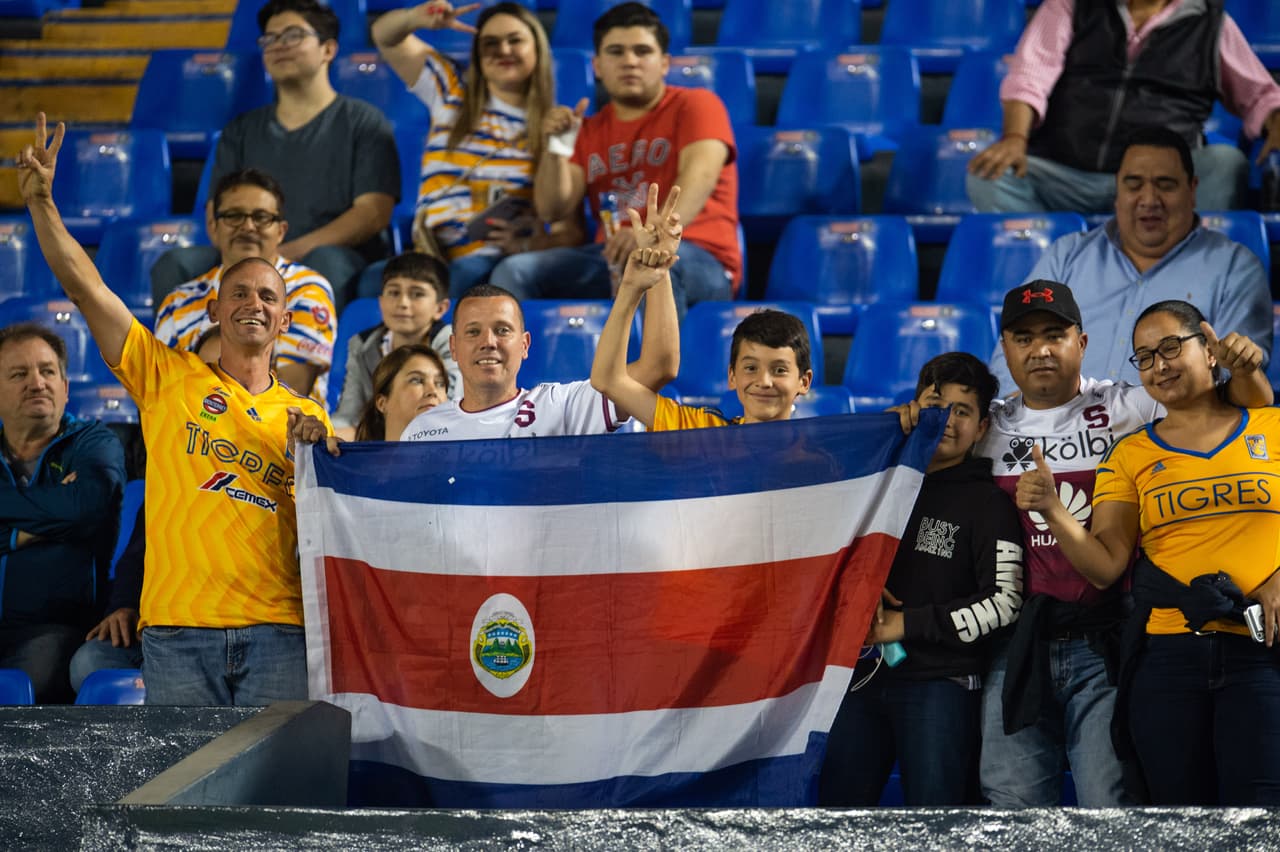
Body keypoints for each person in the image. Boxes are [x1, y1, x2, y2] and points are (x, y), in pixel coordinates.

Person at [894, 280, 1273, 806]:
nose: (1040, 349)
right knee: (1010, 810)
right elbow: (922, 454)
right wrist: (907, 422)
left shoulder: (1130, 407)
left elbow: (1236, 407)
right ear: (1004, 349)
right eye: (1023, 338)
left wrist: (1248, 368)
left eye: (1055, 334)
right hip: (1013, 645)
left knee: (1110, 806)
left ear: (1083, 342)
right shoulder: (986, 425)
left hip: (1108, 639)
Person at [20, 113, 333, 706]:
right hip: (178, 631)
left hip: (279, 631)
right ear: (212, 310)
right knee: (185, 796)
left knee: (273, 793)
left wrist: (321, 455)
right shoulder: (164, 376)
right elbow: (87, 289)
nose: (253, 304)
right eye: (237, 293)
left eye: (268, 296)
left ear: (285, 321)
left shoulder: (306, 418)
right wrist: (43, 207)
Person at [1019, 299, 1280, 806]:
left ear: (1209, 350)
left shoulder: (1271, 426)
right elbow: (1106, 566)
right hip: (1168, 656)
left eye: (1170, 347)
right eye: (1144, 357)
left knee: (1262, 818)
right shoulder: (1130, 453)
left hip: (1262, 654)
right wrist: (1053, 510)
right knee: (1175, 821)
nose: (1159, 365)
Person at [820, 353, 1024, 806]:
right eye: (936, 406)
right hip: (862, 678)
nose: (946, 421)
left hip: (942, 686)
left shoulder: (987, 504)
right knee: (838, 820)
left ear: (982, 428)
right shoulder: (875, 479)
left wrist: (905, 624)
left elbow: (1006, 602)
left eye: (962, 411)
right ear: (914, 408)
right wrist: (884, 434)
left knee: (938, 825)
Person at [488, 1, 740, 318]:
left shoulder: (697, 105)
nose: (630, 61)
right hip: (609, 258)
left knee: (652, 263)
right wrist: (557, 147)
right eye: (616, 51)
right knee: (514, 272)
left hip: (695, 256)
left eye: (642, 51)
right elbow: (552, 208)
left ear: (664, 63)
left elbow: (698, 180)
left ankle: (664, 370)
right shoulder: (589, 130)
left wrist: (651, 236)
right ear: (597, 65)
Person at [150, 0, 400, 309]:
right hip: (248, 250)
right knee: (176, 263)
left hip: (328, 253)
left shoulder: (364, 122)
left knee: (324, 263)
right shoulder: (240, 130)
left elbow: (372, 212)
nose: (278, 46)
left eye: (293, 35)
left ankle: (305, 357)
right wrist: (250, 253)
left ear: (328, 49)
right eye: (270, 39)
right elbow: (217, 210)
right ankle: (179, 357)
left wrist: (287, 253)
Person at [396, 181, 681, 442]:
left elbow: (658, 368)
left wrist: (658, 272)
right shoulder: (422, 431)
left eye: (502, 330)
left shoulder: (562, 407)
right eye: (473, 332)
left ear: (525, 345)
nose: (488, 342)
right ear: (453, 348)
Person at [988, 127, 1272, 389]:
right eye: (1134, 184)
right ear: (1117, 191)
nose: (1149, 199)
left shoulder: (1235, 267)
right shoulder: (1066, 255)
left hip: (1170, 437)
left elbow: (1239, 378)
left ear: (1192, 189)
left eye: (1165, 184)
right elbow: (1010, 356)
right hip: (1061, 435)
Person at [966, 0, 1280, 213]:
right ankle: (1062, 272)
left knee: (1226, 163)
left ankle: (1183, 272)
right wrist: (1015, 139)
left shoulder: (1214, 25)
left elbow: (1260, 95)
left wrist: (1276, 122)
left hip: (1159, 183)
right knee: (990, 175)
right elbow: (1030, 75)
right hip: (1067, 174)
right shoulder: (1070, 6)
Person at [364, 1, 582, 299]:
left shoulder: (552, 125)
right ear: (478, 55)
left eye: (515, 40)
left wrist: (527, 244)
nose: (503, 50)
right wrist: (413, 18)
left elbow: (563, 223)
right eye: (490, 43)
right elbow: (384, 35)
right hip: (428, 254)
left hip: (487, 259)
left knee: (453, 281)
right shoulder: (449, 91)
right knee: (371, 282)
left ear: (537, 50)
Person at [590, 186, 810, 429]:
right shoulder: (701, 433)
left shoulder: (820, 458)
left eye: (779, 370)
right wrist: (634, 285)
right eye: (750, 368)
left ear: (804, 381)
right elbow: (608, 380)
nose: (764, 381)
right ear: (732, 376)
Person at [0, 323, 126, 703]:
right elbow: (67, 512)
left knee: (22, 688)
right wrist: (22, 532)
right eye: (19, 374)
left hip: (59, 629)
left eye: (47, 371)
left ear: (66, 388)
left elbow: (83, 510)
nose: (37, 383)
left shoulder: (94, 443)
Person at [153, 168, 337, 401]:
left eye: (261, 217)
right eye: (234, 216)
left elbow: (293, 390)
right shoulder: (178, 302)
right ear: (213, 226)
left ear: (281, 231)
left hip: (281, 433)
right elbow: (163, 389)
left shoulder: (307, 289)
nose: (248, 227)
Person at [332, 251, 460, 440]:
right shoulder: (362, 345)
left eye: (417, 294)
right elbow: (349, 416)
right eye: (393, 293)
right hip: (381, 443)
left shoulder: (453, 343)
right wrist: (328, 435)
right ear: (381, 301)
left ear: (440, 308)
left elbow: (449, 411)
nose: (403, 303)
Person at [69, 497, 145, 693]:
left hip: (221, 631)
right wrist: (125, 605)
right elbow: (135, 558)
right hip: (155, 633)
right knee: (89, 662)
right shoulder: (165, 485)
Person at [354, 344, 450, 441]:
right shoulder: (353, 456)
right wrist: (338, 454)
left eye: (440, 383)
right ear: (382, 403)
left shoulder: (463, 454)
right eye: (416, 380)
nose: (433, 391)